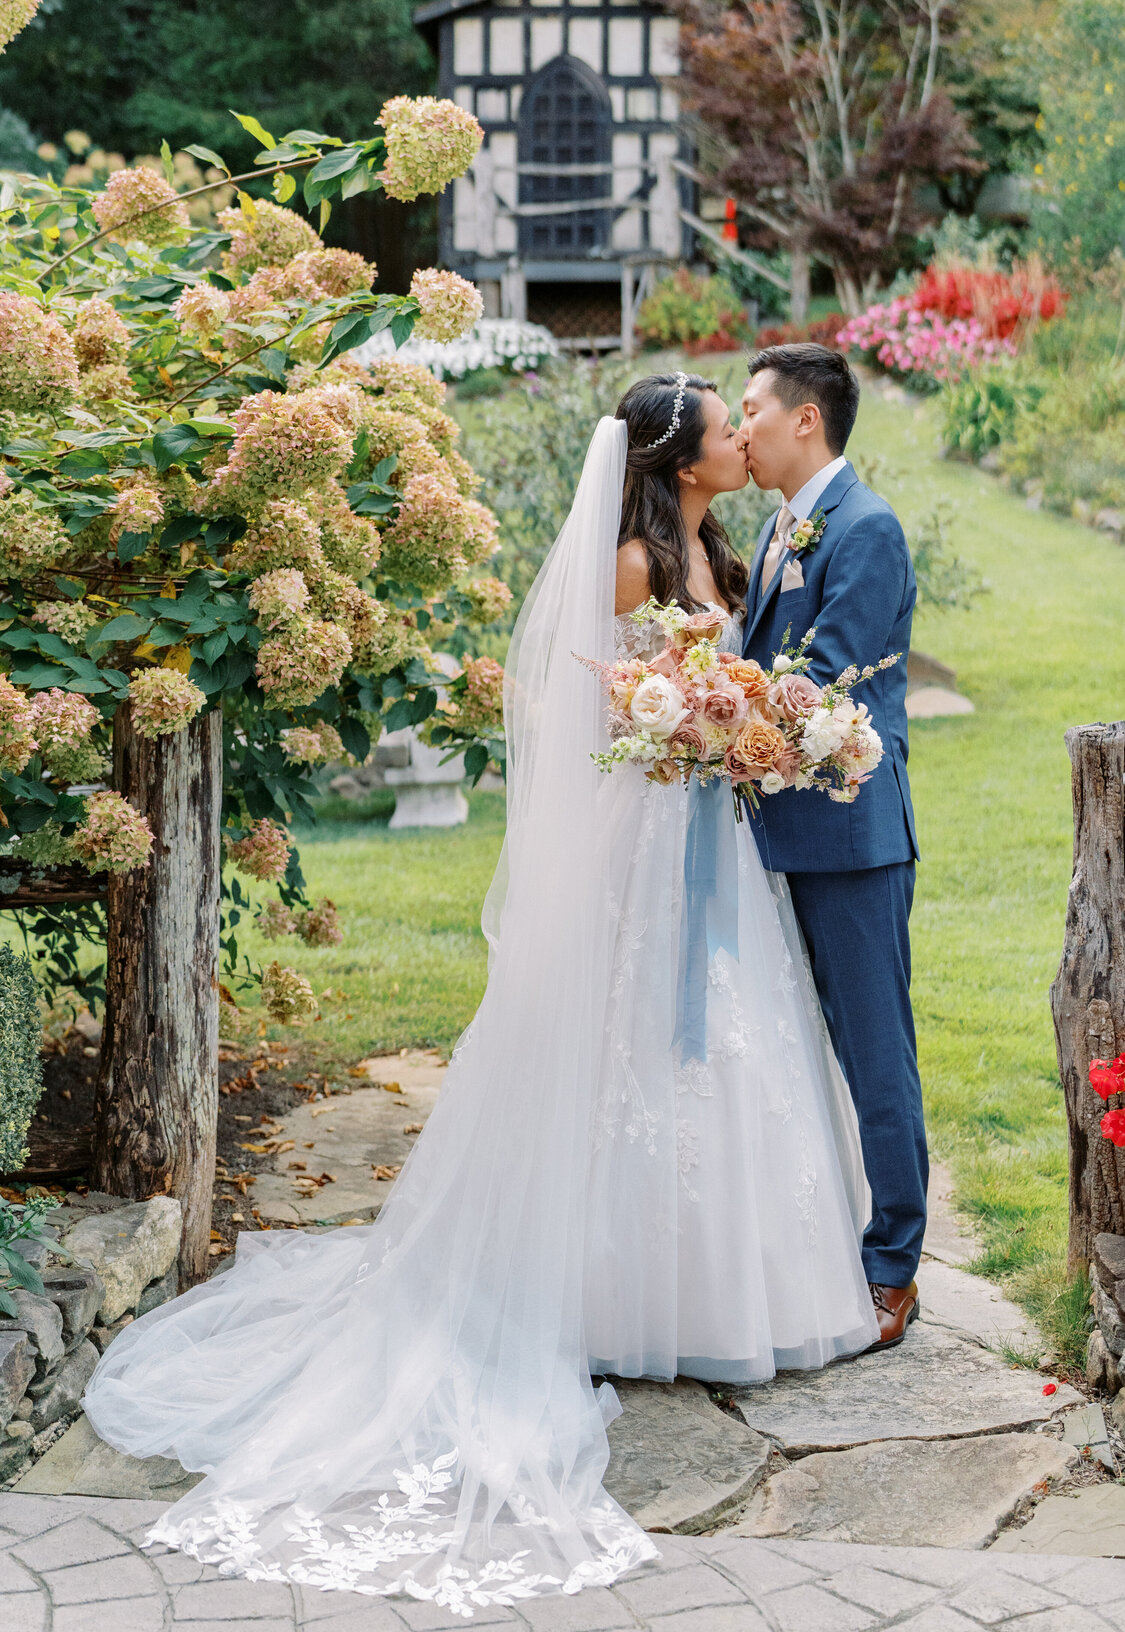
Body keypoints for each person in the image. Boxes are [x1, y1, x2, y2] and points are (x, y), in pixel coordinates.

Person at [83, 373, 877, 1615]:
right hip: (652, 853)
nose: (739, 438)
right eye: (723, 428)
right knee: (629, 1051)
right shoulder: (626, 565)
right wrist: (701, 724)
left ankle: (728, 1281)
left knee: (723, 1051)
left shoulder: (718, 546)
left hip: (714, 848)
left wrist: (744, 721)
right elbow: (601, 730)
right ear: (676, 458)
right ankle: (605, 1290)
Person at [739, 343, 926, 1349]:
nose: (742, 427)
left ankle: (895, 1262)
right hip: (781, 835)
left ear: (805, 418)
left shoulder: (867, 528)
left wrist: (712, 710)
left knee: (873, 1053)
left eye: (753, 408)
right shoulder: (782, 526)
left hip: (851, 838)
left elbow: (830, 683)